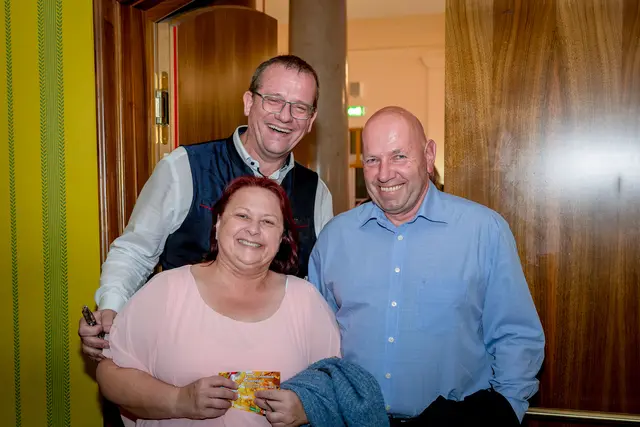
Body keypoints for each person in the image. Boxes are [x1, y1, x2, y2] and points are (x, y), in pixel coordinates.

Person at [80, 55, 332, 362]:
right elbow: (135, 251)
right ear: (249, 102)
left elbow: (318, 283)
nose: (285, 116)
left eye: (299, 107)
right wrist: (112, 310)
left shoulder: (316, 192)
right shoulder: (184, 167)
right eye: (274, 100)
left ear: (311, 120)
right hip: (181, 351)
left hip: (272, 360)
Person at [308, 106, 545, 425]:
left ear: (429, 155)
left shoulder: (483, 230)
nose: (384, 174)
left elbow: (516, 334)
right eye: (373, 160)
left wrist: (505, 410)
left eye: (399, 156)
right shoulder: (335, 237)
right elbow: (313, 338)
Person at [97, 176, 341, 427]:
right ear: (218, 223)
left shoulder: (305, 300)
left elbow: (336, 387)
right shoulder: (166, 290)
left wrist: (306, 408)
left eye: (268, 221)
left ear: (281, 238)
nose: (254, 229)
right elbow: (110, 375)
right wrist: (179, 400)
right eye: (242, 216)